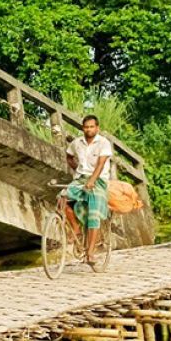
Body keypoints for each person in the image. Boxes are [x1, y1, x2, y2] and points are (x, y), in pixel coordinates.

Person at [65, 114, 114, 268]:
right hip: (80, 178)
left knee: (93, 214)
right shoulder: (76, 143)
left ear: (97, 128)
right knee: (62, 199)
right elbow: (69, 156)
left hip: (98, 181)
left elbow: (101, 164)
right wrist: (77, 170)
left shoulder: (104, 143)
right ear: (82, 128)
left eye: (92, 127)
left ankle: (90, 252)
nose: (89, 129)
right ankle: (76, 228)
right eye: (86, 127)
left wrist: (92, 180)